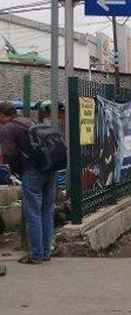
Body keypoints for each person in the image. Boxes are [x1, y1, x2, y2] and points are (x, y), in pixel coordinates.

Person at [0, 101, 56, 264]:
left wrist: (18, 171)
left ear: (2, 115)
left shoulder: (8, 128)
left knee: (33, 213)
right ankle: (46, 252)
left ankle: (36, 255)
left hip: (32, 172)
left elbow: (9, 153)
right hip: (50, 168)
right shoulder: (30, 122)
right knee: (47, 212)